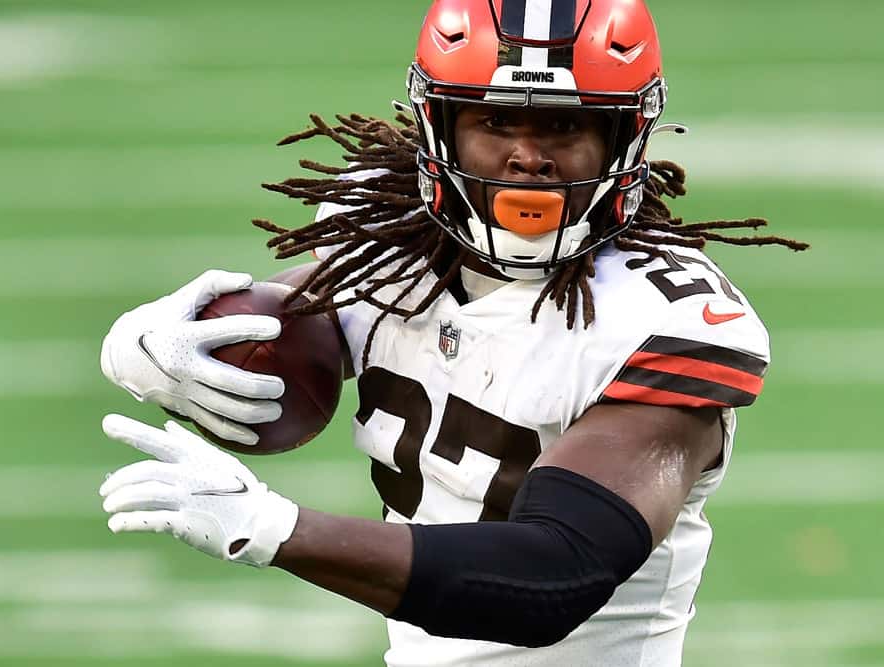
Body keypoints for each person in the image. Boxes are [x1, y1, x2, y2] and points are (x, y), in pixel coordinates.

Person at [97, 0, 807, 664]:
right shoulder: (385, 243)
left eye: (565, 125)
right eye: (496, 121)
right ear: (440, 127)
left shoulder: (661, 315)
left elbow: (556, 573)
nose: (529, 156)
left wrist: (277, 529)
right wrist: (157, 348)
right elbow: (267, 345)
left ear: (624, 137)